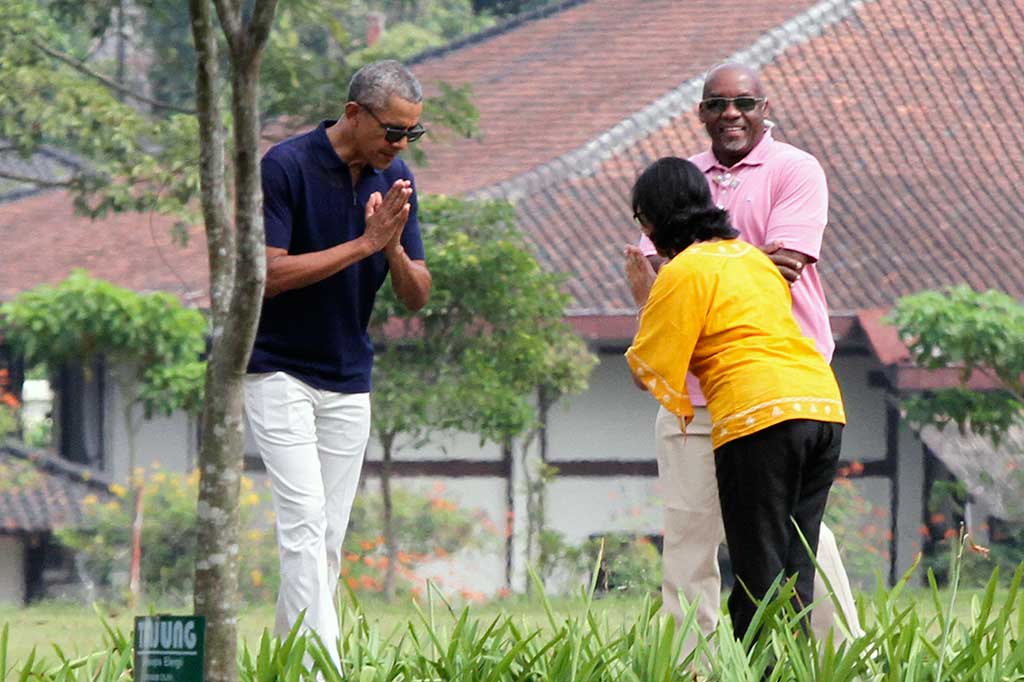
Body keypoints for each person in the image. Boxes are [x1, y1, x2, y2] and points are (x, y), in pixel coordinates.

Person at [624, 62, 861, 644]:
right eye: (717, 104)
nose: (731, 113)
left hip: (760, 393)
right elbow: (751, 265)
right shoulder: (686, 176)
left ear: (764, 107)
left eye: (744, 103)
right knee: (692, 532)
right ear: (701, 112)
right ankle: (695, 666)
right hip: (709, 394)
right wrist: (724, 263)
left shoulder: (794, 168)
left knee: (786, 547)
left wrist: (680, 281)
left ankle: (836, 657)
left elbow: (785, 266)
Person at [243, 60, 432, 665]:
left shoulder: (396, 178)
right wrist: (363, 244)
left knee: (325, 539)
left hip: (349, 378)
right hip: (278, 370)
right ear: (354, 114)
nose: (401, 145)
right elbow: (269, 273)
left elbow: (418, 293)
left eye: (411, 133)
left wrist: (392, 247)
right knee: (302, 526)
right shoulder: (286, 166)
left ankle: (290, 666)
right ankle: (324, 671)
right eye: (393, 131)